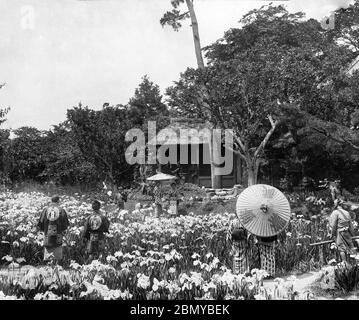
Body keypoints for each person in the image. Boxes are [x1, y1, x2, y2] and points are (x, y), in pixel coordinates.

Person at [38, 195, 69, 263]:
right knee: (57, 256)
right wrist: (62, 230)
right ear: (58, 201)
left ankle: (48, 270)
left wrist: (46, 230)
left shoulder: (45, 210)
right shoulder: (61, 210)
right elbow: (65, 224)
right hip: (58, 235)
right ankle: (56, 268)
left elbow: (41, 223)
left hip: (47, 235)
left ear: (51, 201)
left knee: (48, 257)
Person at [329, 198, 356, 264]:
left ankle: (344, 263)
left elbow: (334, 225)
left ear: (336, 205)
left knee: (341, 248)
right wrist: (352, 233)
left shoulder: (335, 212)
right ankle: (353, 262)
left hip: (340, 233)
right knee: (350, 246)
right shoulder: (346, 212)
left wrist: (332, 234)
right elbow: (350, 225)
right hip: (347, 232)